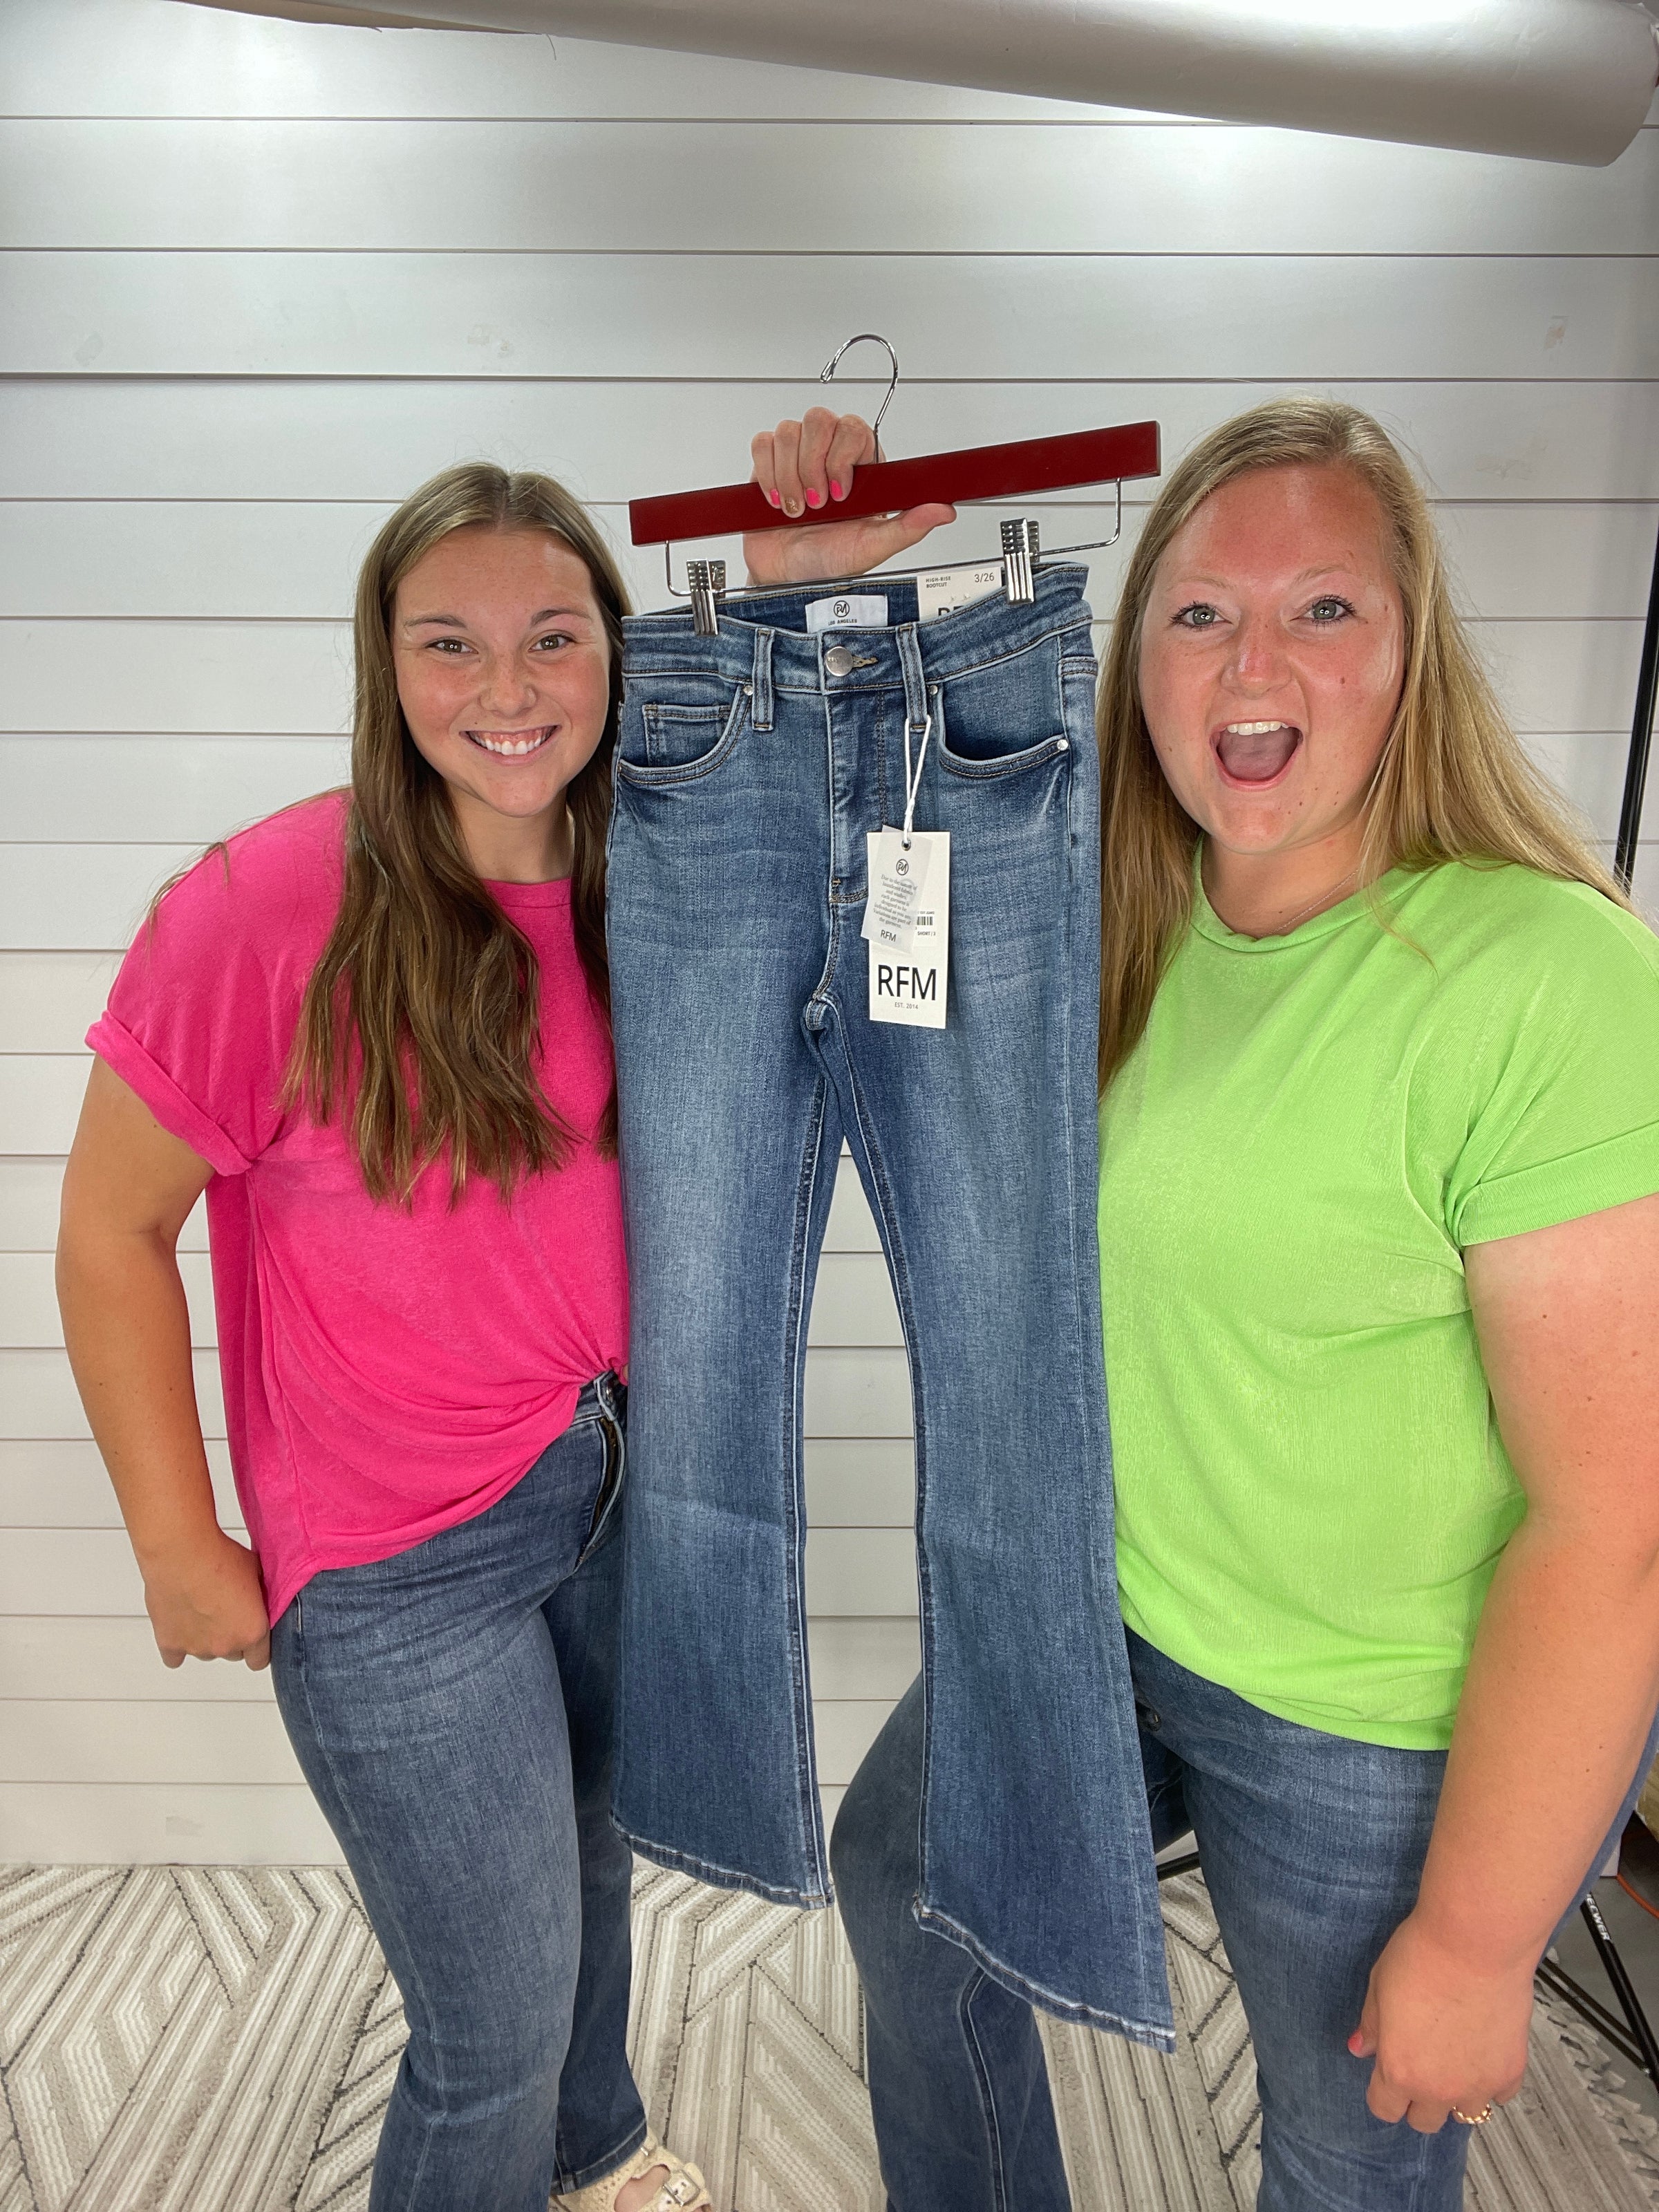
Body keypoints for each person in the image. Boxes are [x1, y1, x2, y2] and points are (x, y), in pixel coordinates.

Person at [53, 430, 942, 2212]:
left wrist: (785, 595)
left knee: (589, 1870)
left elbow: (809, 811)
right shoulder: (267, 908)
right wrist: (174, 1541)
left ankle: (595, 2160)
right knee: (490, 2031)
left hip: (611, 1501)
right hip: (395, 1564)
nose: (508, 689)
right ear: (385, 667)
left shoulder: (660, 878)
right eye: (449, 643)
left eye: (554, 637)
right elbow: (106, 1233)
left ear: (619, 648)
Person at [815, 395, 1659, 2211]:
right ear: (1138, 664)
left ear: (1414, 650)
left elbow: (1615, 1525)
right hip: (1104, 1617)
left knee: (1347, 2165)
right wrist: (812, 599)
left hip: (1369, 1717)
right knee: (900, 1880)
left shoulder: (1546, 977)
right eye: (1200, 613)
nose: (1253, 664)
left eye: (1323, 608)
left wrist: (1478, 1936)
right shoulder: (1108, 915)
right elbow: (828, 933)